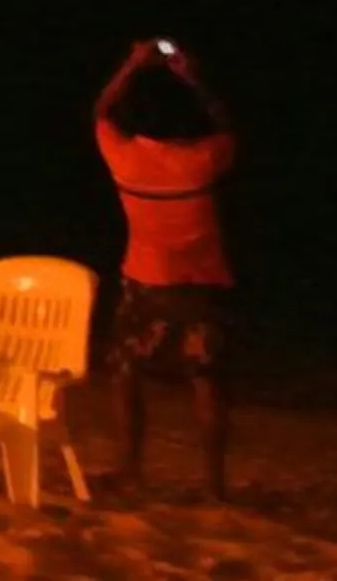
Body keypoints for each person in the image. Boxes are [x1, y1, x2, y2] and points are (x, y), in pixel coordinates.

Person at [96, 38, 237, 499]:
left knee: (126, 372)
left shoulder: (127, 159)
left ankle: (130, 470)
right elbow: (225, 124)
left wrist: (131, 65)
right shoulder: (202, 161)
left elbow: (101, 112)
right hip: (203, 285)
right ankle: (214, 485)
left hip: (147, 282)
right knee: (206, 379)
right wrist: (192, 78)